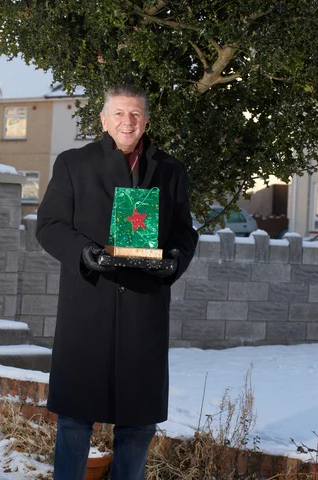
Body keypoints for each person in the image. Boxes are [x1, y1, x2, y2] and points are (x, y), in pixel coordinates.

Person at [36, 85, 198, 480]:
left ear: (146, 121)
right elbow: (49, 225)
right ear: (104, 120)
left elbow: (184, 232)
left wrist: (174, 260)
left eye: (136, 114)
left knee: (139, 424)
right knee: (75, 420)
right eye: (120, 114)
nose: (128, 122)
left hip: (144, 311)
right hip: (88, 307)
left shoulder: (170, 169)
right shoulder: (74, 164)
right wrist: (85, 253)